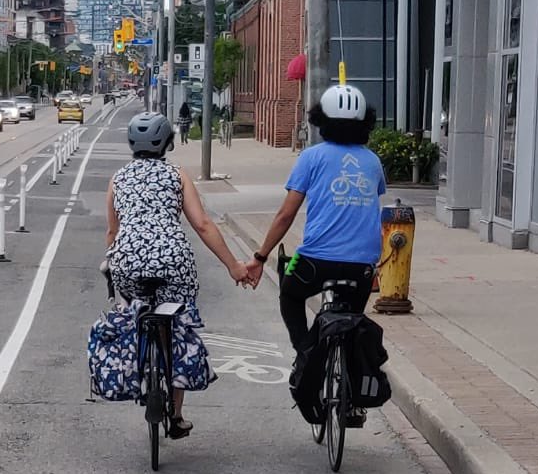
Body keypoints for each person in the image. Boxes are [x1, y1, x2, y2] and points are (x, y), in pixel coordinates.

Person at [106, 112, 252, 438]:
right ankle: (177, 413)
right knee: (179, 329)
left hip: (128, 265)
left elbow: (112, 233)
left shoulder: (118, 179)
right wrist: (233, 266)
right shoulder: (177, 175)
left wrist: (112, 264)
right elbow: (202, 224)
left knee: (133, 313)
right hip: (175, 265)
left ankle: (140, 364)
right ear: (168, 142)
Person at [245, 84, 385, 351]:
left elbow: (286, 215)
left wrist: (260, 256)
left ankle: (306, 353)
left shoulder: (311, 157)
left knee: (289, 294)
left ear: (321, 120)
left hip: (316, 260)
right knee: (354, 320)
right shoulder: (372, 161)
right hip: (363, 265)